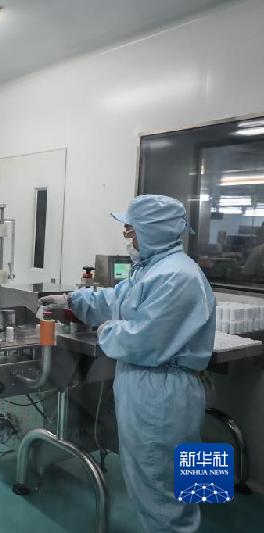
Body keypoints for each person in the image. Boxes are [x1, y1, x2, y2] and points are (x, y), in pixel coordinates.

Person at [40, 194, 216, 533]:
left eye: (131, 230)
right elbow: (115, 298)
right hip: (155, 384)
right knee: (170, 484)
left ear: (153, 230)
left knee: (159, 491)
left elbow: (142, 340)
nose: (127, 236)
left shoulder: (177, 276)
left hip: (159, 393)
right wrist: (72, 300)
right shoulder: (154, 269)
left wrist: (105, 329)